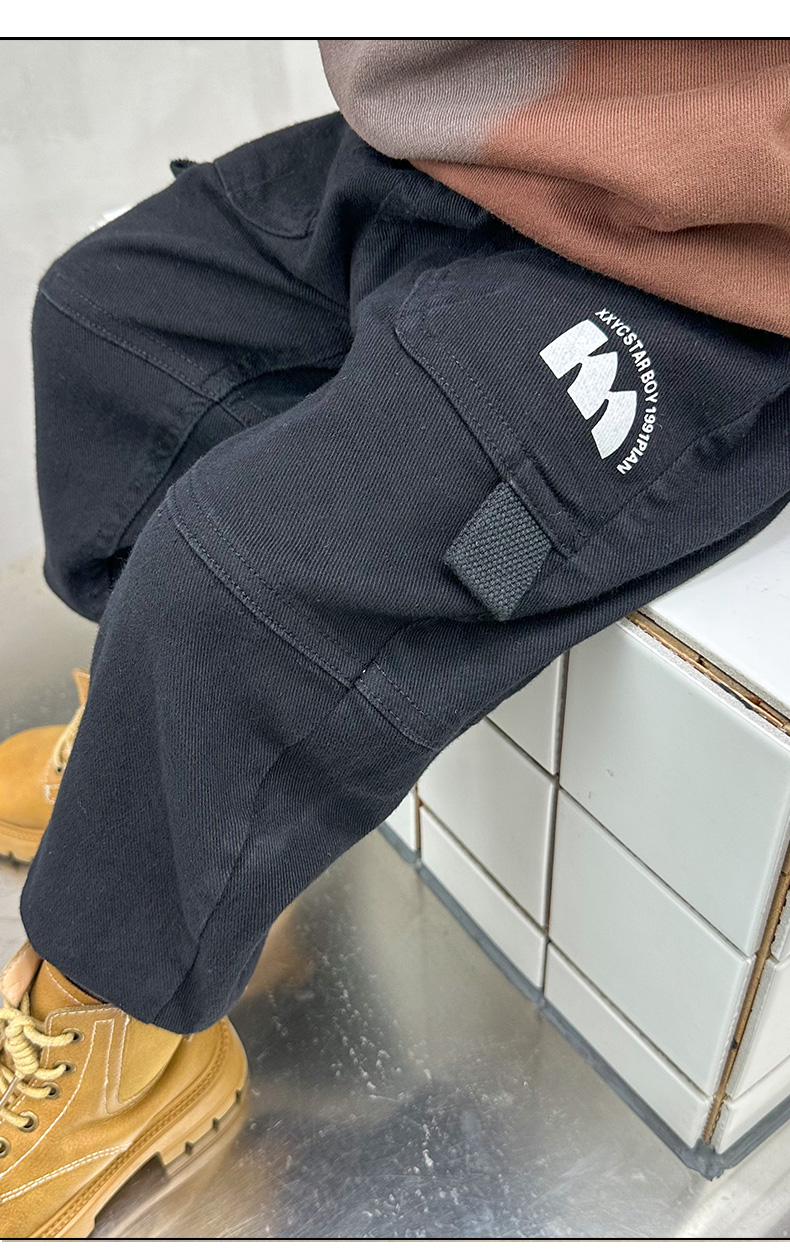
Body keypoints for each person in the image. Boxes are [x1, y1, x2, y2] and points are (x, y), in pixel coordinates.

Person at [1, 38, 790, 1237]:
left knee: (234, 578)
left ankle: (124, 1031)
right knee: (101, 320)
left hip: (696, 264)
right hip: (442, 156)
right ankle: (151, 794)